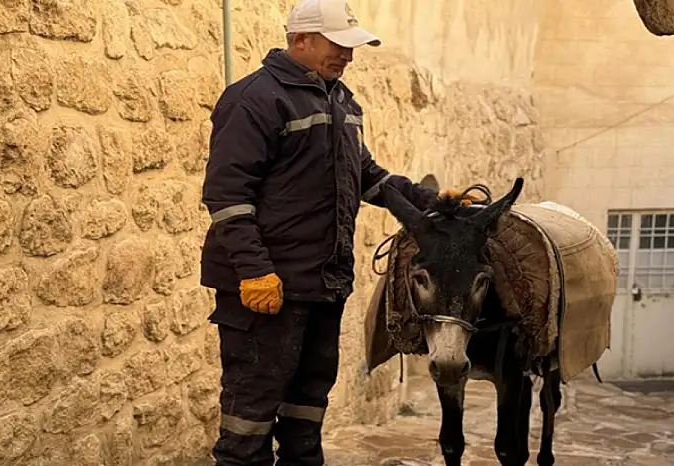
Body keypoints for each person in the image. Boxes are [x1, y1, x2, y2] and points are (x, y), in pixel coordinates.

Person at [200, 0, 473, 464]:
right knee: (250, 422)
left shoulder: (342, 101)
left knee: (306, 420)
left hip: (323, 288)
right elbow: (227, 197)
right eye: (338, 45)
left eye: (353, 47)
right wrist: (254, 271)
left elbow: (367, 177)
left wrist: (431, 202)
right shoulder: (256, 98)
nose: (348, 56)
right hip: (268, 292)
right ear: (300, 40)